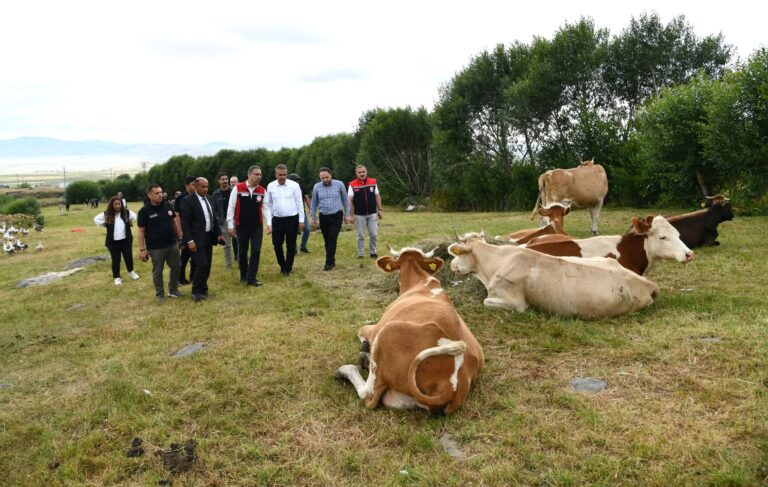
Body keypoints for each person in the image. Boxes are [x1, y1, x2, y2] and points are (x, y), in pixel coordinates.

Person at [181, 177, 225, 302]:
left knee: (208, 265)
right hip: (195, 238)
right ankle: (196, 292)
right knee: (202, 264)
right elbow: (185, 223)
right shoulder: (188, 201)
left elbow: (214, 219)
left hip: (208, 237)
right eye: (203, 187)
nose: (206, 189)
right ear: (195, 186)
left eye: (207, 186)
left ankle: (203, 289)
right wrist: (189, 241)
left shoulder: (209, 198)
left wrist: (219, 233)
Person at [137, 184, 183, 303]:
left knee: (176, 267)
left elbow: (173, 223)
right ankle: (160, 294)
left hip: (172, 244)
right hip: (155, 247)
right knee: (158, 271)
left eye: (160, 192)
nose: (160, 195)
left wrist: (179, 239)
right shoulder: (144, 211)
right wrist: (142, 249)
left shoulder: (168, 206)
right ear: (149, 195)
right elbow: (141, 231)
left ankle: (173, 290)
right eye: (156, 193)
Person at [227, 165, 266, 286]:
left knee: (256, 250)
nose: (259, 176)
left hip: (256, 226)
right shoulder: (238, 188)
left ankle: (252, 278)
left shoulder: (262, 190)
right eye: (256, 174)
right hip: (241, 225)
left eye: (260, 174)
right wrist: (230, 225)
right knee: (242, 252)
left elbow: (266, 207)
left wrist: (269, 223)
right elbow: (231, 207)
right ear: (249, 175)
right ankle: (243, 274)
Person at [264, 164, 304, 276]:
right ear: (276, 174)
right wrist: (270, 220)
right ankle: (282, 265)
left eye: (284, 174)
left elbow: (299, 203)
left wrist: (301, 220)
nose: (282, 177)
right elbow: (269, 203)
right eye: (280, 175)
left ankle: (288, 268)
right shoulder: (270, 186)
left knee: (291, 245)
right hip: (277, 219)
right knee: (277, 244)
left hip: (292, 218)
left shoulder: (295, 185)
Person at [310, 167, 350, 271]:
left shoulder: (339, 184)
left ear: (331, 175)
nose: (325, 180)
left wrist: (347, 214)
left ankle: (328, 264)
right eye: (322, 178)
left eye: (327, 177)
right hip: (323, 216)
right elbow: (314, 203)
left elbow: (345, 200)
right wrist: (313, 217)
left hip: (337, 215)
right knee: (327, 241)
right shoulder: (316, 187)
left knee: (332, 238)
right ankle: (332, 261)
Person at [94, 195, 140, 285]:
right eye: (115, 204)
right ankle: (117, 277)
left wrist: (129, 222)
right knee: (116, 259)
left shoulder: (126, 212)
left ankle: (131, 272)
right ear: (112, 205)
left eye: (119, 204)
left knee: (128, 257)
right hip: (113, 242)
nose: (117, 205)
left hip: (125, 240)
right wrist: (104, 224)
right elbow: (95, 219)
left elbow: (135, 217)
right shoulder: (106, 214)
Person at [348, 164, 382, 258]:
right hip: (359, 215)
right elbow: (350, 200)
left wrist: (380, 209)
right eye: (359, 172)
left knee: (374, 235)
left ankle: (373, 252)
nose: (362, 174)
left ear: (366, 172)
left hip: (372, 213)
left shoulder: (373, 182)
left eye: (363, 172)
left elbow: (377, 196)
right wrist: (351, 215)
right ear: (356, 173)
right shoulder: (352, 184)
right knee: (360, 236)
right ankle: (360, 254)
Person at [175, 176, 197, 285]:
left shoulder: (198, 196)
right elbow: (177, 216)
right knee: (185, 255)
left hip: (196, 230)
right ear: (186, 185)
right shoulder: (180, 198)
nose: (195, 186)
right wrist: (180, 232)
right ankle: (181, 277)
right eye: (193, 184)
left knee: (195, 255)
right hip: (185, 230)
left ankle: (193, 275)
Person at [211, 172, 234, 269]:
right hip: (223, 221)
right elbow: (214, 210)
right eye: (223, 179)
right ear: (219, 181)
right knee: (227, 244)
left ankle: (243, 261)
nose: (225, 181)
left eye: (226, 179)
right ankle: (229, 265)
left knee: (241, 242)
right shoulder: (215, 194)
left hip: (234, 220)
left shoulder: (233, 191)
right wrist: (218, 220)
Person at [287, 173, 311, 254]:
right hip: (290, 214)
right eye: (295, 180)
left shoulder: (302, 188)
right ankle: (294, 249)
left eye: (297, 180)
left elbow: (306, 198)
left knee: (307, 229)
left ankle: (303, 246)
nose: (297, 182)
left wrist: (311, 209)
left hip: (302, 213)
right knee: (292, 231)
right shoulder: (286, 189)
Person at [228, 175, 239, 260]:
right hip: (231, 218)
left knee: (240, 238)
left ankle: (241, 255)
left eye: (234, 182)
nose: (232, 184)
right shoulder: (228, 192)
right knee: (234, 239)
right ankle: (236, 255)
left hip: (239, 217)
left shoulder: (240, 190)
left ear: (238, 182)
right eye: (231, 182)